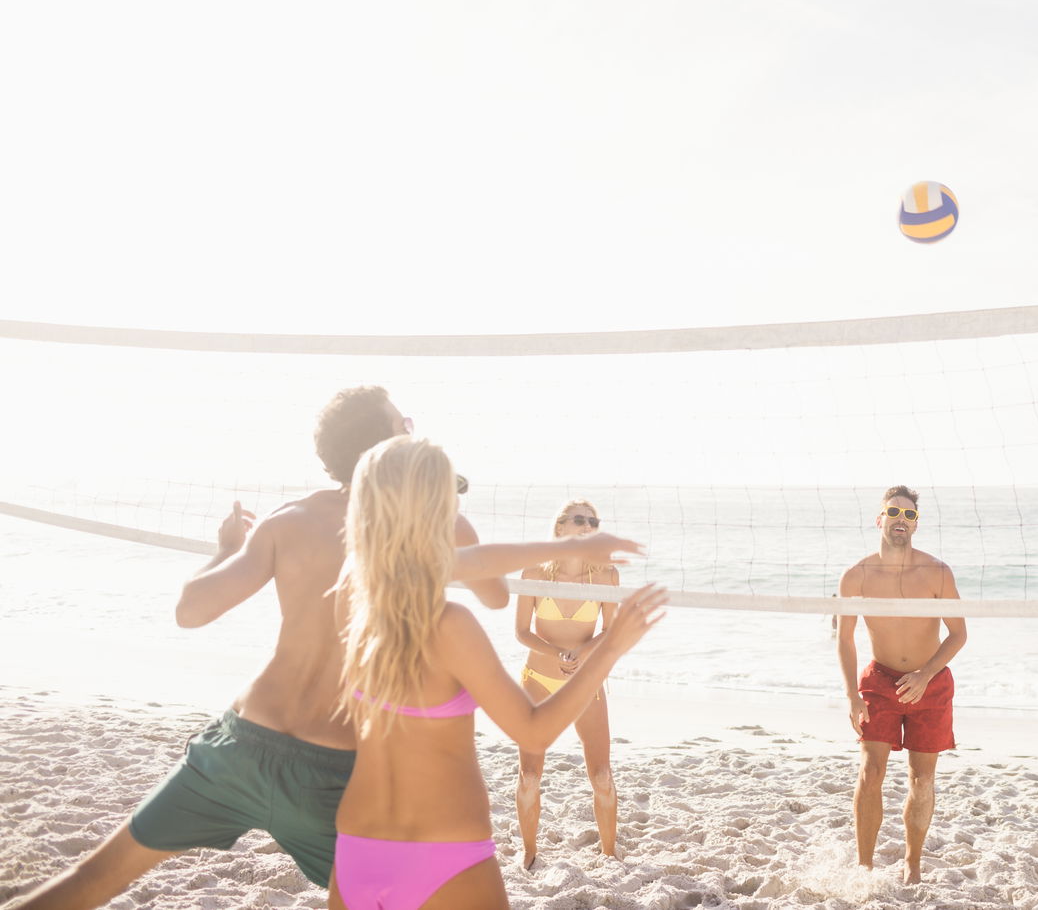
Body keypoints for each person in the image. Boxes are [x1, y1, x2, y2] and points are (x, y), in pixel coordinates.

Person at [3, 386, 643, 910]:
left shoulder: (317, 554)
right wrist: (591, 609)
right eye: (405, 419)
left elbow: (190, 611)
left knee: (96, 879)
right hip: (355, 790)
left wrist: (229, 548)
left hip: (248, 751)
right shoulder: (441, 577)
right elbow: (498, 603)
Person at [328, 437, 666, 910]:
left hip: (360, 845)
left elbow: (478, 571)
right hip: (445, 846)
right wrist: (611, 647)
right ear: (439, 514)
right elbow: (535, 726)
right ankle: (531, 852)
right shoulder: (450, 627)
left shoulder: (350, 595)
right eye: (453, 500)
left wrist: (566, 548)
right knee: (532, 767)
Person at [835, 485, 967, 884]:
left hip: (931, 682)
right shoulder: (856, 575)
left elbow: (958, 634)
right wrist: (852, 695)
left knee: (921, 779)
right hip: (879, 680)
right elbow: (844, 639)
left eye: (909, 515)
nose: (901, 520)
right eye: (894, 512)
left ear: (916, 525)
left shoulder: (937, 572)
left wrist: (925, 675)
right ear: (880, 519)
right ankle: (865, 865)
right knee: (870, 771)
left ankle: (912, 864)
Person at [511, 498, 625, 867]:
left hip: (584, 682)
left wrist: (582, 653)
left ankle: (609, 854)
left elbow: (610, 632)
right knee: (529, 776)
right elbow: (521, 633)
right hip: (538, 680)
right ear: (560, 526)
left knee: (603, 776)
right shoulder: (533, 573)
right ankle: (529, 853)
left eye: (593, 520)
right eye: (579, 518)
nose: (588, 524)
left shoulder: (607, 576)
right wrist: (557, 652)